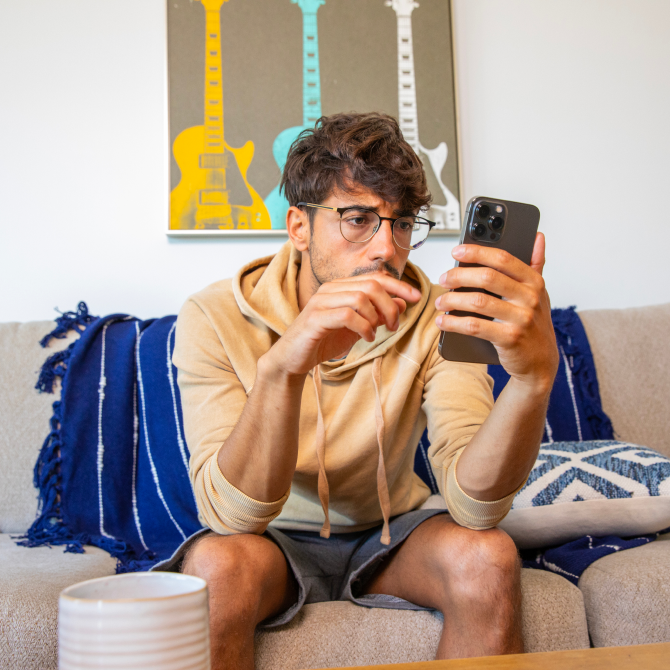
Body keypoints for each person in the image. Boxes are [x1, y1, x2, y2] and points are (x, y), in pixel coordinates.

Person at [156, 112, 559, 669]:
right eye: (357, 219)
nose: (385, 249)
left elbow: (475, 507)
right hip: (271, 542)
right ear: (299, 226)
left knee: (488, 556)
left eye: (401, 224)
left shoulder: (437, 313)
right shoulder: (215, 315)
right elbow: (230, 516)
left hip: (392, 537)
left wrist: (533, 380)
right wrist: (284, 366)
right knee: (214, 569)